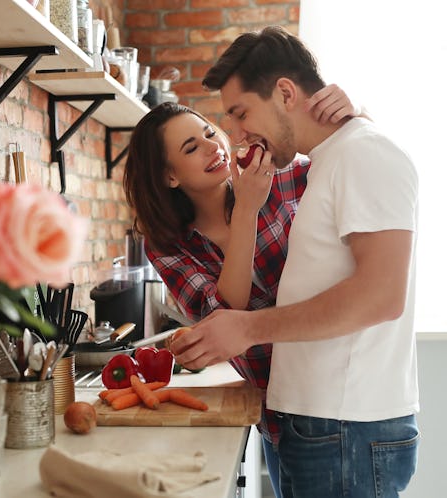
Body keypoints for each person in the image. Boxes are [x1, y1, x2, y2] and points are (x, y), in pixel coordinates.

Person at [169, 25, 420, 498]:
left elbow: (382, 297)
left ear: (285, 92)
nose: (235, 135)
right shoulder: (330, 159)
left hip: (344, 427)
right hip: (317, 423)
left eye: (241, 114)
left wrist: (246, 328)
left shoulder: (363, 153)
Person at [122, 87, 359, 498]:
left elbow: (357, 163)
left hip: (337, 394)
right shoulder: (167, 246)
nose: (213, 148)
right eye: (192, 147)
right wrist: (247, 211)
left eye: (210, 133)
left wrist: (353, 115)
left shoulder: (281, 178)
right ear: (169, 176)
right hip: (275, 408)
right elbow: (227, 312)